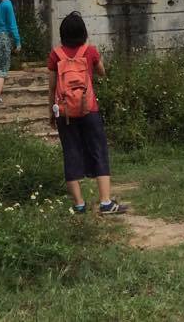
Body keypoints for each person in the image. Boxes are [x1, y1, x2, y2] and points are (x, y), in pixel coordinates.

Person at [47, 12, 126, 215]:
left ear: (62, 33)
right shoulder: (89, 51)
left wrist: (51, 113)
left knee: (71, 153)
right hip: (89, 109)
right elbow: (102, 72)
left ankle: (79, 204)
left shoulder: (55, 55)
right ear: (83, 32)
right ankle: (106, 202)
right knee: (98, 150)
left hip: (64, 113)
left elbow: (52, 87)